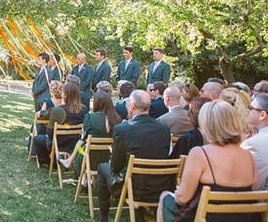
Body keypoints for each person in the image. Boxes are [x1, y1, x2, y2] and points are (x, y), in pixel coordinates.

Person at [158, 100, 259, 222]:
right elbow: (253, 191)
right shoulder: (248, 155)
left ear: (207, 124)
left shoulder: (200, 154)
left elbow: (182, 198)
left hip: (209, 217)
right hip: (245, 217)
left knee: (165, 198)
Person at [96, 90, 171, 222]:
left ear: (132, 106)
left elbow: (115, 166)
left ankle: (103, 217)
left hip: (134, 188)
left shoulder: (122, 129)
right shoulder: (164, 129)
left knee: (103, 167)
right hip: (161, 187)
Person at [60, 91, 121, 174]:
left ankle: (69, 161)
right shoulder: (117, 119)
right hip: (109, 158)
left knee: (81, 142)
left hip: (90, 158)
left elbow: (82, 138)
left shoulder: (90, 118)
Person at [33, 81, 87, 165]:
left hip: (58, 143)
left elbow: (49, 133)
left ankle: (49, 161)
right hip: (75, 143)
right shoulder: (83, 110)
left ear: (65, 95)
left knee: (38, 139)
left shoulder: (58, 110)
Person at [241, 93, 268, 190]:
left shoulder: (252, 144)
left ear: (262, 115)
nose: (247, 110)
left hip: (260, 202)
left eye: (251, 108)